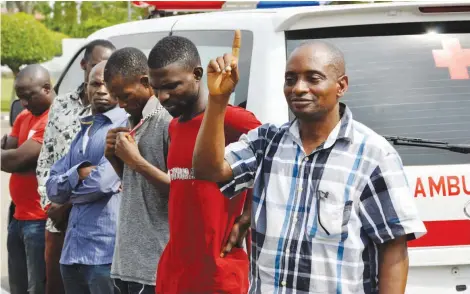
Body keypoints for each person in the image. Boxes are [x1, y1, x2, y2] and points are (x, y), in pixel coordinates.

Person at [192, 32, 428, 293]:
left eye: (313, 78)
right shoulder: (267, 141)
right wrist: (217, 100)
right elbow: (208, 170)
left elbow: (393, 250)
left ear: (341, 85)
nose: (299, 88)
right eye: (290, 79)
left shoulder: (373, 155)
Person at [147, 35, 261, 294]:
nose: (162, 97)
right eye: (155, 88)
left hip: (218, 273)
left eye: (171, 86)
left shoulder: (234, 120)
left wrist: (247, 216)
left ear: (197, 74)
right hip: (177, 272)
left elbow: (277, 162)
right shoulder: (175, 126)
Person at [36, 39, 116, 294]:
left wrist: (68, 195)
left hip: (104, 251)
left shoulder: (124, 126)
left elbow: (103, 182)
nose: (101, 90)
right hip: (71, 244)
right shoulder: (83, 124)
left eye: (108, 83)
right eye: (96, 83)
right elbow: (51, 178)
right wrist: (78, 174)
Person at [103, 47, 172, 294]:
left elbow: (179, 192)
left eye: (125, 96)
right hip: (126, 263)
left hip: (154, 266)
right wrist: (115, 159)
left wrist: (135, 161)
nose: (121, 104)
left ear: (145, 82)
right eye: (116, 98)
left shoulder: (166, 121)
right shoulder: (133, 119)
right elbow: (139, 188)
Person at [1, 64, 54, 294]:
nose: (23, 103)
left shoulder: (52, 119)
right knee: (18, 286)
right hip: (18, 215)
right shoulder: (25, 116)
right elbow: (11, 153)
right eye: (20, 97)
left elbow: (15, 160)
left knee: (37, 287)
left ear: (46, 88)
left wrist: (13, 157)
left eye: (28, 96)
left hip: (39, 218)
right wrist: (12, 156)